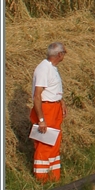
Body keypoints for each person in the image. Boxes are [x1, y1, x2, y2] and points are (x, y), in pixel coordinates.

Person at [30, 42, 66, 182]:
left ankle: (53, 176)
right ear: (59, 54)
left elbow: (52, 88)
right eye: (64, 52)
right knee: (45, 142)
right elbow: (37, 96)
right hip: (46, 109)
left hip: (54, 107)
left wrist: (61, 101)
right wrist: (41, 119)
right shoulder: (43, 69)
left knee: (54, 141)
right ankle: (42, 178)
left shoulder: (52, 68)